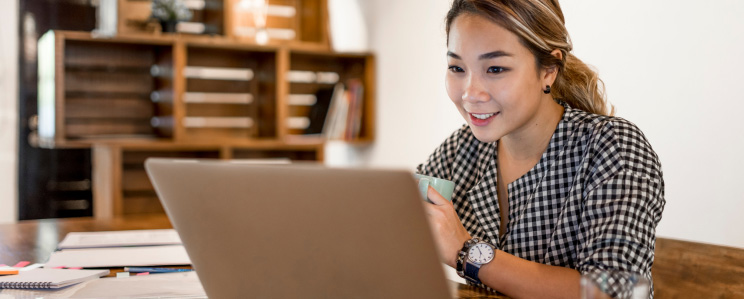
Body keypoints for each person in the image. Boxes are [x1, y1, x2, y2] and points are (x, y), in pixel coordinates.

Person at [417, 0, 665, 298]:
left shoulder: (611, 147)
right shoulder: (462, 149)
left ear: (548, 70)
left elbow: (617, 292)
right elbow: (395, 225)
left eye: (495, 68)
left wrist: (467, 252)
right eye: (457, 67)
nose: (470, 93)